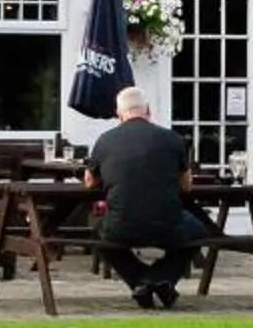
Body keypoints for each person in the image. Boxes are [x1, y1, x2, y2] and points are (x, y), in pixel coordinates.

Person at [84, 83, 212, 309]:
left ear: (118, 113)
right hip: (168, 223)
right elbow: (186, 186)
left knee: (99, 234)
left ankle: (141, 281)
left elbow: (90, 182)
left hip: (121, 225)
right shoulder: (172, 139)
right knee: (199, 231)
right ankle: (160, 278)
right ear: (149, 110)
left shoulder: (105, 141)